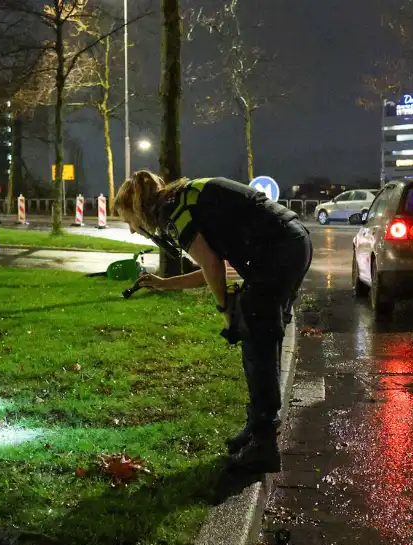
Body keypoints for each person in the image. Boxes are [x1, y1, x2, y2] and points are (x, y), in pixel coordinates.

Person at [115, 171, 312, 474]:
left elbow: (211, 265)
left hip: (279, 250)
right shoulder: (181, 199)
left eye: (128, 219)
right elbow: (211, 268)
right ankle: (258, 430)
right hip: (290, 243)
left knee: (256, 339)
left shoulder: (172, 211)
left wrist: (226, 310)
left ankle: (264, 445)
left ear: (138, 209)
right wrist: (164, 284)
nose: (131, 230)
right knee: (261, 335)